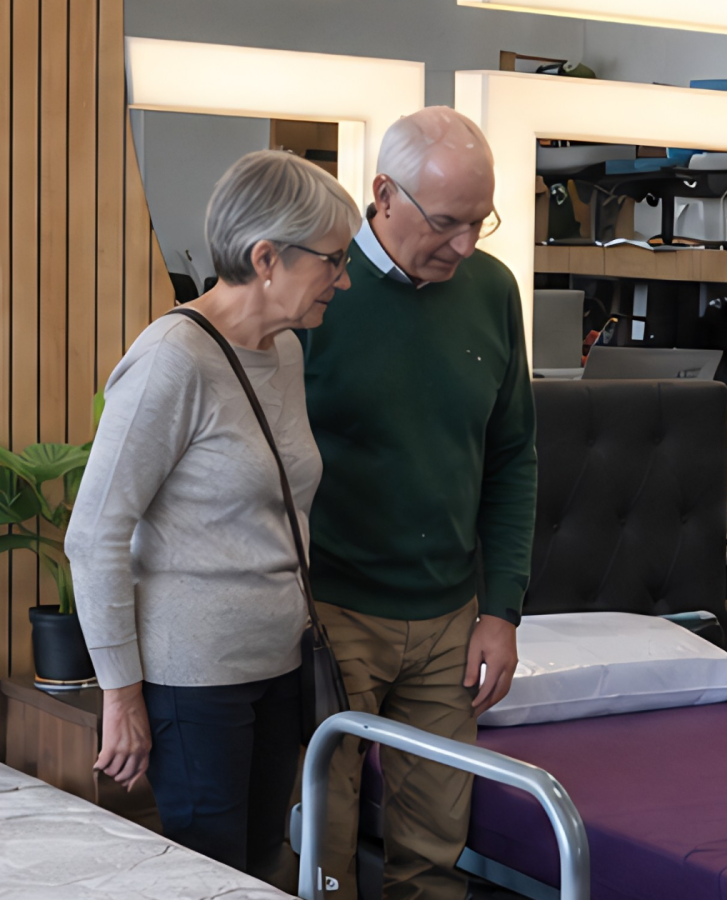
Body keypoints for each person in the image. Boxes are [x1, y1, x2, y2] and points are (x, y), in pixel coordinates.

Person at [69, 149, 359, 885]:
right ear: (266, 258)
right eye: (333, 260)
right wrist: (121, 693)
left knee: (262, 867)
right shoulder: (171, 360)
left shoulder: (285, 352)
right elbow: (95, 534)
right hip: (192, 680)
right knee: (211, 875)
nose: (345, 279)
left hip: (281, 663)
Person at [299, 106, 535, 899]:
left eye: (480, 221)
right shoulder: (317, 291)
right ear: (383, 195)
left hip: (451, 621)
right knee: (320, 857)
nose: (465, 245)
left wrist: (502, 610)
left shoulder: (493, 290)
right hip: (331, 612)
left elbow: (513, 456)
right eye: (446, 222)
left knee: (434, 863)